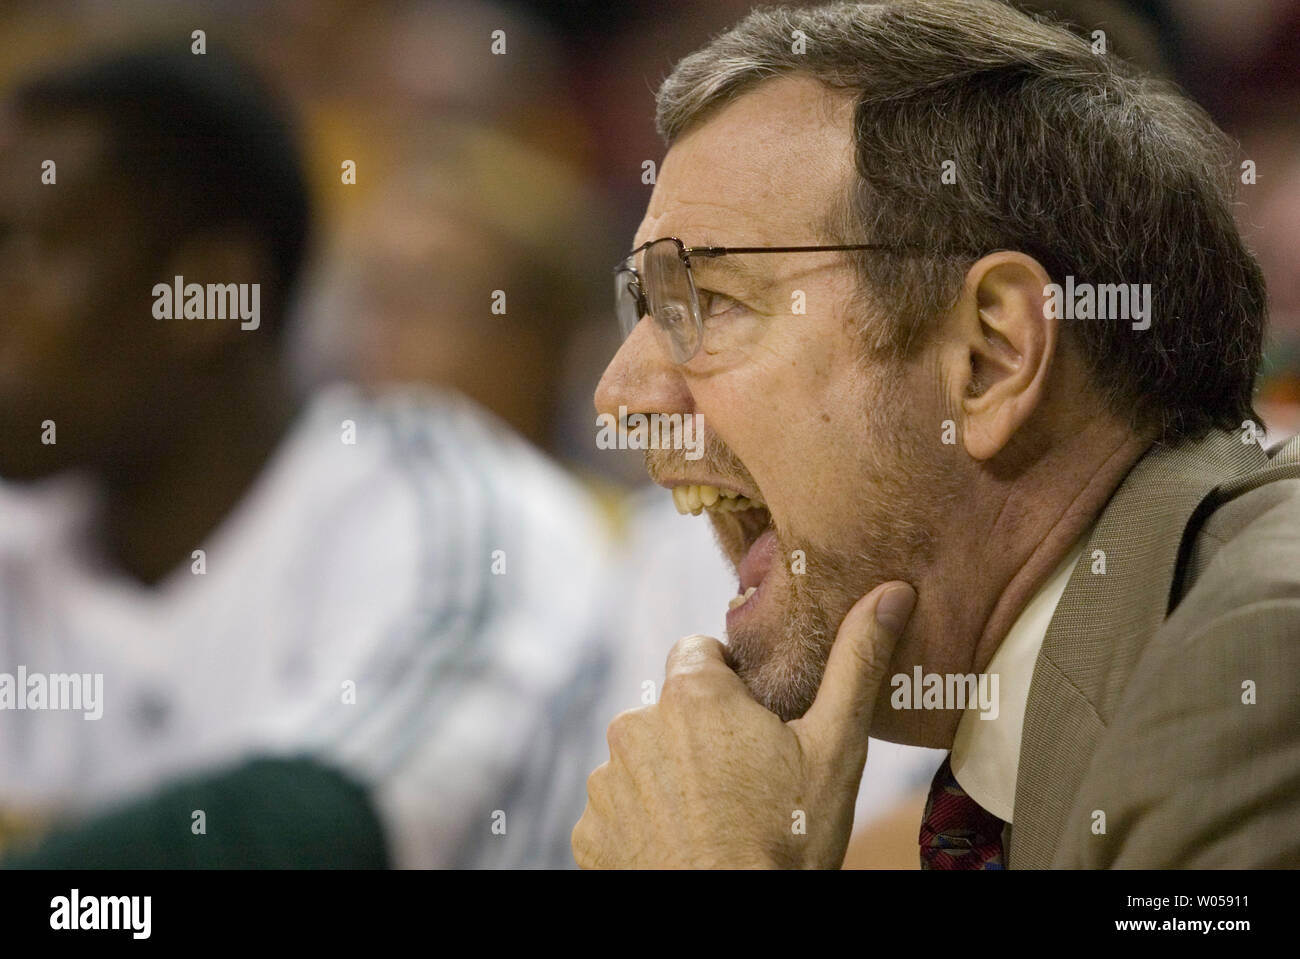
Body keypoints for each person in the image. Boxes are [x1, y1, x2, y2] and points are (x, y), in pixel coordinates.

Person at [574, 0, 1300, 869]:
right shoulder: (1066, 713)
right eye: (647, 309)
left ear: (992, 356)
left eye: (713, 302)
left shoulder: (1256, 661)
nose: (620, 397)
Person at [0, 44, 611, 868]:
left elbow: (320, 829)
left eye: (25, 253)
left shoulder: (447, 503)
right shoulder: (26, 521)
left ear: (202, 294)